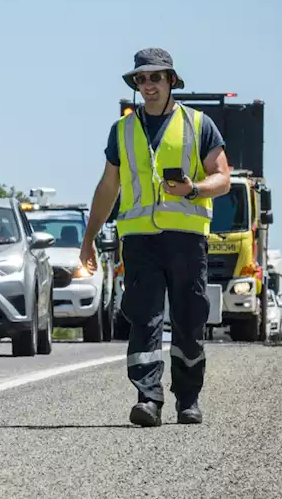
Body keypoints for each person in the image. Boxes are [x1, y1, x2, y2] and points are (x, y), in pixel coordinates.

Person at [80, 48, 230, 427]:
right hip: (140, 241)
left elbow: (223, 178)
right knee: (144, 318)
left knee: (188, 320)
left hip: (186, 240)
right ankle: (148, 398)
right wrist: (89, 237)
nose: (147, 85)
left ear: (172, 81)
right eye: (141, 79)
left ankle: (188, 400)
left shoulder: (199, 124)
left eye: (155, 78)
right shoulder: (123, 131)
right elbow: (108, 186)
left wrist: (193, 188)